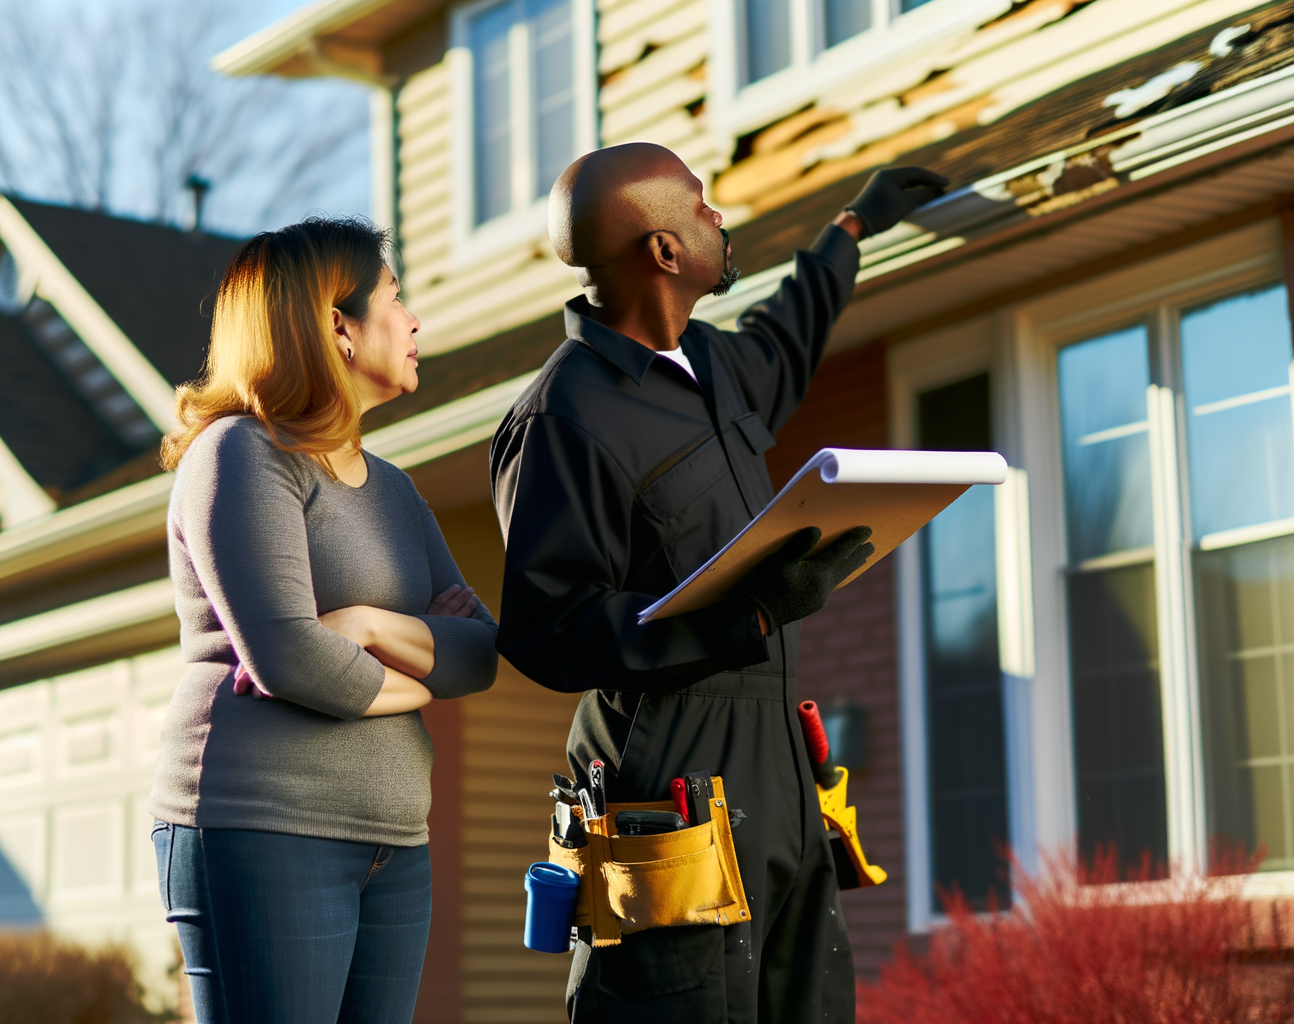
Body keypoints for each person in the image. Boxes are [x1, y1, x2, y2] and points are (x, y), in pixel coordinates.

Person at [490, 143, 946, 1022]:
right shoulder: (564, 417)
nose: (720, 218)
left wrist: (852, 228)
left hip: (779, 770)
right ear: (663, 251)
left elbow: (789, 336)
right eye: (701, 206)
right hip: (670, 782)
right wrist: (749, 616)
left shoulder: (710, 363)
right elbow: (551, 628)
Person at [149, 217, 500, 1024]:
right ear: (336, 327)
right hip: (262, 827)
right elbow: (293, 661)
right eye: (395, 298)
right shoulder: (241, 454)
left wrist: (368, 624)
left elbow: (481, 654)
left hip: (396, 842)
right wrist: (420, 672)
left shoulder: (394, 489)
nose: (413, 321)